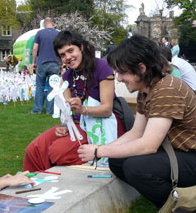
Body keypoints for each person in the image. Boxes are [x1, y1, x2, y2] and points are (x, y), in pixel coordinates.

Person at [77, 35, 196, 209]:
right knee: (117, 161)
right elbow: (136, 133)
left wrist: (99, 150)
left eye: (122, 72)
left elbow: (149, 145)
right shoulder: (146, 89)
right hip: (177, 152)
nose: (118, 79)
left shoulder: (167, 90)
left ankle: (181, 206)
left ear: (141, 68)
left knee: (137, 167)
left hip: (192, 156)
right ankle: (171, 200)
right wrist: (102, 152)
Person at [23, 30, 126, 172]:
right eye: (63, 55)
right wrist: (65, 125)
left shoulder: (102, 66)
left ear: (81, 47)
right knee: (34, 149)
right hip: (78, 125)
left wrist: (82, 109)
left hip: (103, 124)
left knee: (57, 152)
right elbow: (68, 111)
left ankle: (102, 155)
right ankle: (35, 183)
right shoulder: (66, 76)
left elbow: (107, 109)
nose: (68, 57)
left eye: (71, 51)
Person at [30, 17, 60, 115]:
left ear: (45, 24)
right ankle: (50, 111)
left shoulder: (39, 33)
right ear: (53, 23)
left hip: (42, 63)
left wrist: (34, 62)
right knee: (52, 87)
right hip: (55, 63)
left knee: (40, 86)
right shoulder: (58, 34)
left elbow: (35, 49)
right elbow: (61, 49)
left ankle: (37, 109)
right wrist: (62, 64)